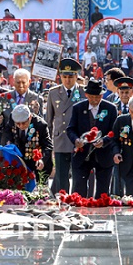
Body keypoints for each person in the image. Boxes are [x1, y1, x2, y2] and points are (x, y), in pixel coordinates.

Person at [67, 79, 117, 198]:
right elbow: (70, 129)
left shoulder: (110, 108)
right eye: (92, 97)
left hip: (103, 156)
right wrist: (76, 140)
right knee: (79, 191)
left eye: (98, 97)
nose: (95, 100)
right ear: (87, 95)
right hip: (82, 155)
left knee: (103, 193)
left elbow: (114, 131)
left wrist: (104, 141)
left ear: (102, 95)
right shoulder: (78, 108)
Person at [46, 59, 85, 194]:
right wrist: (49, 144)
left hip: (78, 140)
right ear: (60, 77)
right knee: (61, 177)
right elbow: (49, 120)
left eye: (70, 76)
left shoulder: (83, 92)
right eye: (64, 76)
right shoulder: (53, 92)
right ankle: (62, 202)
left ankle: (75, 201)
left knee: (78, 176)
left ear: (76, 76)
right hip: (60, 139)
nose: (67, 80)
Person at [3, 105, 52, 180]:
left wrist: (41, 159)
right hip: (19, 161)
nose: (21, 126)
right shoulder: (12, 119)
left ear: (30, 118)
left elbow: (48, 146)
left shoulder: (40, 125)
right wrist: (9, 142)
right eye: (18, 124)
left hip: (35, 163)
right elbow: (7, 131)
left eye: (23, 123)